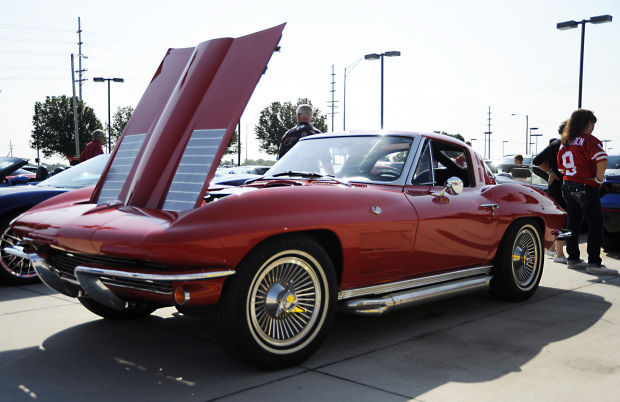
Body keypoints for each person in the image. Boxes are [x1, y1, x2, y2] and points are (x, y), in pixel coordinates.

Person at [557, 109, 616, 275]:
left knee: (573, 223)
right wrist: (598, 180)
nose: (593, 127)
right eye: (593, 123)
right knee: (595, 224)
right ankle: (594, 263)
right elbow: (602, 159)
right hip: (585, 186)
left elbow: (561, 168)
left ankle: (573, 259)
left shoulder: (565, 142)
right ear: (588, 123)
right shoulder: (589, 140)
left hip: (568, 185)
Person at [533, 122, 567, 263]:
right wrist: (551, 172)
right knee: (561, 218)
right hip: (557, 186)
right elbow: (537, 160)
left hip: (562, 185)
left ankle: (553, 249)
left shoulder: (568, 145)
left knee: (561, 218)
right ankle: (559, 254)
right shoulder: (557, 144)